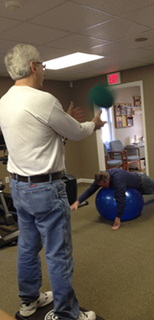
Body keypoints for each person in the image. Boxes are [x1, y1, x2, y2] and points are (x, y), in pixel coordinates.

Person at [0, 43, 106, 320]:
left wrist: (64, 122)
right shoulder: (43, 100)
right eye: (43, 65)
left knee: (27, 247)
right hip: (46, 189)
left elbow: (41, 138)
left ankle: (29, 301)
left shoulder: (3, 101)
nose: (44, 70)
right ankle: (67, 315)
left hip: (19, 188)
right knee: (59, 255)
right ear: (33, 67)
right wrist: (94, 123)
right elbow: (79, 131)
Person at [71, 168, 154, 230]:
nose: (102, 188)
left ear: (108, 179)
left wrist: (117, 219)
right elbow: (90, 190)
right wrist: (77, 201)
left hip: (142, 182)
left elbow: (121, 199)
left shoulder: (118, 180)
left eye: (103, 186)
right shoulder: (101, 177)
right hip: (132, 179)